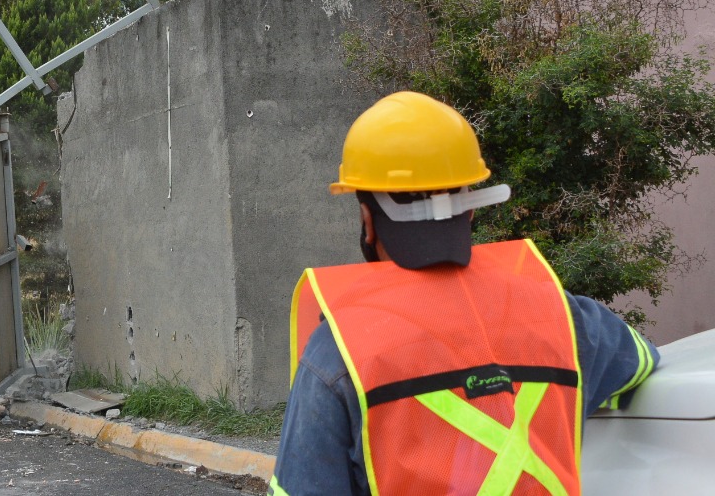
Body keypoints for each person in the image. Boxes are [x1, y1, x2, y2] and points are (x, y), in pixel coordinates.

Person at [270, 91, 660, 496]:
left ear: (368, 221)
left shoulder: (338, 354)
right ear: (471, 208)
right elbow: (645, 361)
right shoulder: (566, 318)